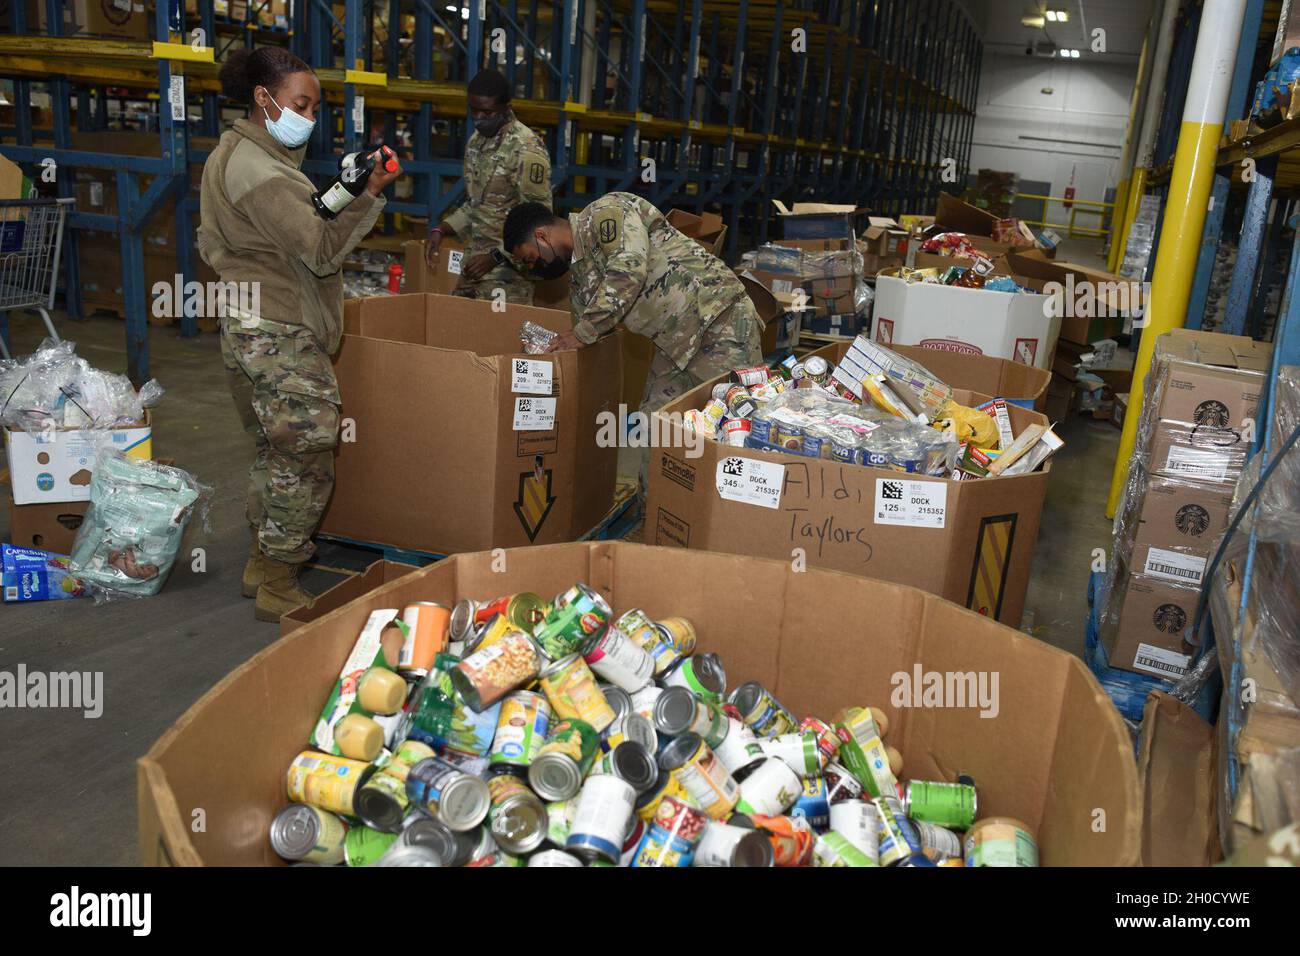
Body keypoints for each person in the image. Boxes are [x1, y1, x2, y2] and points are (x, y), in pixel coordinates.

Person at [199, 47, 402, 622]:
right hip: (277, 332)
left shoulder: (245, 155)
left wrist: (344, 190)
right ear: (263, 98)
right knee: (307, 453)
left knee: (275, 447)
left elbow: (305, 219)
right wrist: (370, 196)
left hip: (251, 324)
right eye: (300, 104)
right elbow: (317, 248)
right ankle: (280, 581)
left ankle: (263, 564)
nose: (309, 116)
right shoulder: (259, 171)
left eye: (314, 106)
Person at [502, 192, 764, 496]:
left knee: (736, 427)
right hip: (674, 345)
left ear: (541, 235)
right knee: (654, 425)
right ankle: (656, 515)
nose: (536, 269)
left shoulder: (604, 213)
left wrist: (583, 333)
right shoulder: (578, 276)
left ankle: (738, 523)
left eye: (532, 259)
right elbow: (582, 335)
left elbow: (629, 268)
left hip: (719, 319)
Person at [426, 69, 553, 305]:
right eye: (473, 110)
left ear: (506, 108)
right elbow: (477, 205)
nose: (478, 118)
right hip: (474, 265)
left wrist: (496, 257)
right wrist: (442, 229)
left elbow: (539, 221)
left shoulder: (526, 149)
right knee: (455, 331)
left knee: (498, 340)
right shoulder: (476, 142)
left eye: (487, 112)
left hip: (508, 274)